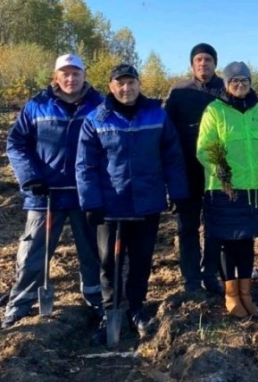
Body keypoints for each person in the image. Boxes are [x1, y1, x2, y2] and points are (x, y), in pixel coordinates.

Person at [77, 64, 188, 342]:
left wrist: (177, 192)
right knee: (107, 263)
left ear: (139, 84)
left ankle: (136, 308)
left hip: (146, 203)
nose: (126, 89)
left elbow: (172, 157)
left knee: (141, 260)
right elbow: (85, 165)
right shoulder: (96, 119)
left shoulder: (156, 115)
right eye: (120, 84)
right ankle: (109, 312)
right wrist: (91, 202)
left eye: (131, 83)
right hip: (110, 206)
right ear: (111, 87)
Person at [3, 54, 104, 329]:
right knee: (32, 252)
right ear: (56, 77)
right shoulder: (37, 106)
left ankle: (96, 299)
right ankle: (20, 305)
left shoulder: (99, 105)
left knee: (92, 251)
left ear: (84, 76)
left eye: (76, 74)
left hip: (85, 195)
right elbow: (16, 143)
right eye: (65, 74)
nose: (71, 79)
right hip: (44, 194)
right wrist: (30, 177)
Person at [196, 62, 258, 318]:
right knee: (227, 243)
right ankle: (231, 297)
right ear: (227, 84)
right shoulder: (215, 110)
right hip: (225, 189)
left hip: (254, 188)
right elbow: (204, 148)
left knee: (246, 243)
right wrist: (218, 169)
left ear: (250, 83)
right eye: (234, 82)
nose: (240, 85)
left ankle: (246, 295)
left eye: (244, 80)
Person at [165, 43, 226, 295]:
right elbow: (166, 132)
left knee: (215, 226)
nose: (204, 63)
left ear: (215, 63)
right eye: (199, 59)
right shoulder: (179, 92)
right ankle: (190, 279)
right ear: (192, 64)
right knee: (187, 227)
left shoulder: (225, 91)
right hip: (186, 171)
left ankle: (210, 274)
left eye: (208, 59)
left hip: (217, 172)